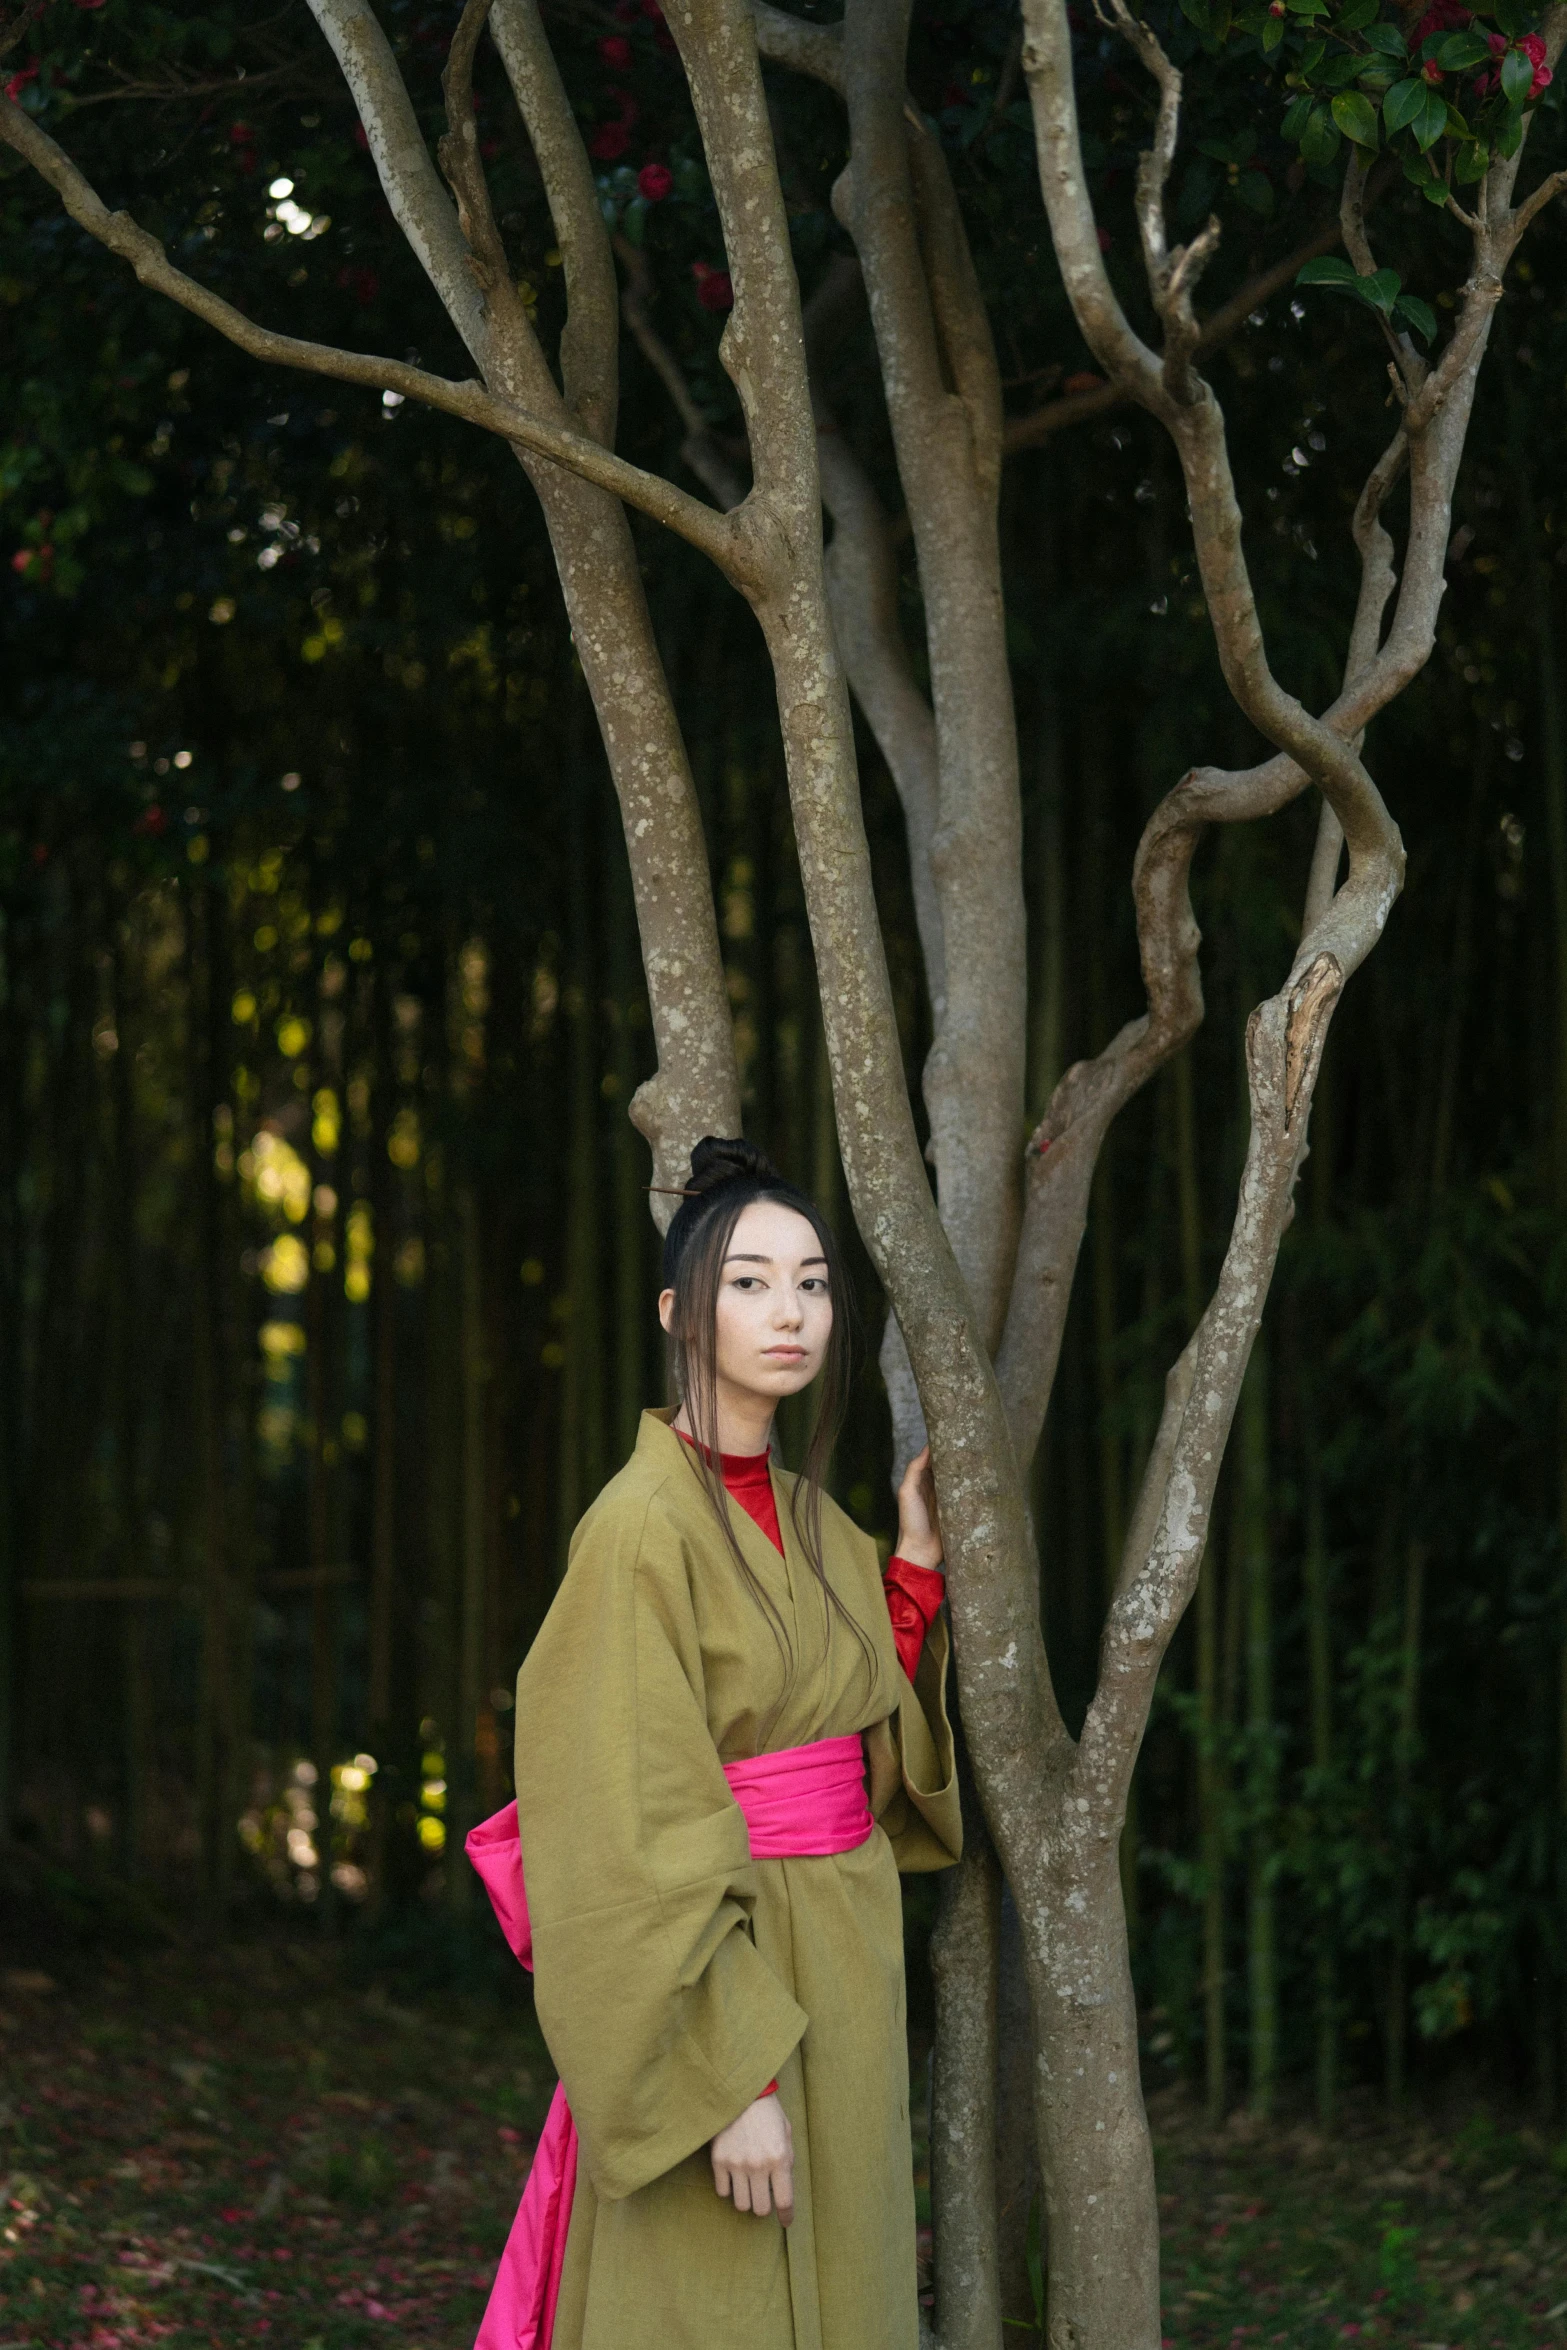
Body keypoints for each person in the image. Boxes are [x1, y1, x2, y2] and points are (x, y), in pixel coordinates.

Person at [494, 1135, 960, 2350]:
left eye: (811, 1281)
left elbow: (849, 1714)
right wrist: (726, 2078)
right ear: (678, 1311)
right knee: (714, 2299)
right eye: (748, 1280)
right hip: (724, 1974)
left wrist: (908, 1564)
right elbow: (620, 1826)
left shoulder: (813, 1516)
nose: (789, 1309)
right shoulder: (637, 1528)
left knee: (842, 2278)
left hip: (841, 1957)